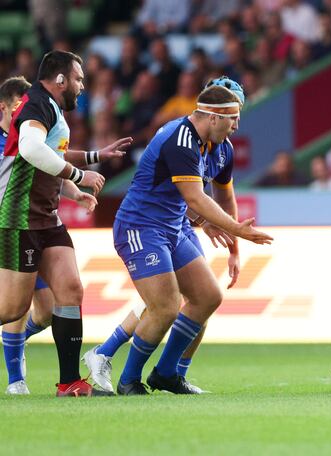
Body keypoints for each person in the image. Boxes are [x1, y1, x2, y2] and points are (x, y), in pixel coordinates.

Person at [82, 77, 247, 394]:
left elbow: (224, 197)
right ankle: (129, 379)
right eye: (234, 116)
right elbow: (196, 198)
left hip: (173, 225)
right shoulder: (180, 139)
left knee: (207, 297)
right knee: (166, 306)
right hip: (141, 227)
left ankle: (167, 373)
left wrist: (234, 246)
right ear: (214, 115)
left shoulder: (221, 148)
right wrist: (235, 228)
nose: (238, 124)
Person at [0, 51, 124, 397]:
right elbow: (30, 149)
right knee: (12, 309)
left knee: (70, 289)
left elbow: (53, 151)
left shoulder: (49, 108)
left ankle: (69, 382)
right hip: (20, 218)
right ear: (60, 80)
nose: (82, 86)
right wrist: (79, 175)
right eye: (79, 79)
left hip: (46, 217)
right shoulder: (37, 102)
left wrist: (93, 159)